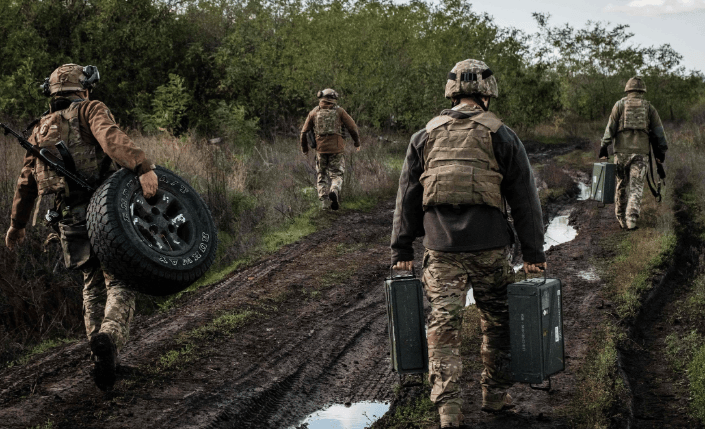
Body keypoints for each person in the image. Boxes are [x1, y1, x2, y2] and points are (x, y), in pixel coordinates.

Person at [390, 59, 546, 428]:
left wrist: (400, 250)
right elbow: (524, 198)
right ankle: (495, 397)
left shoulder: (424, 135)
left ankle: (448, 412)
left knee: (443, 327)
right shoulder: (502, 134)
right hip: (490, 248)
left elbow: (407, 196)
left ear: (451, 92)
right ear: (488, 93)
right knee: (498, 323)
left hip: (440, 249)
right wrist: (533, 253)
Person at [4, 63, 158, 391]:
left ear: (53, 94)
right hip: (105, 211)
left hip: (67, 219)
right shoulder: (90, 109)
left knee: (91, 283)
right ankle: (108, 339)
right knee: (121, 280)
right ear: (82, 88)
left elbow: (26, 181)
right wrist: (142, 166)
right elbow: (111, 139)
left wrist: (17, 224)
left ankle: (102, 358)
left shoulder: (38, 129)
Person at [600, 76, 668, 230]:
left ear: (628, 89)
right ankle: (631, 219)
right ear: (642, 90)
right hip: (641, 154)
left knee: (621, 185)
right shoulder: (649, 108)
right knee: (636, 187)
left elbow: (610, 127)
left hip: (621, 153)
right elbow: (659, 132)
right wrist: (661, 151)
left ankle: (620, 217)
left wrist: (604, 146)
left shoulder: (619, 105)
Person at [300, 88, 361, 210]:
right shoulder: (340, 112)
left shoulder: (314, 112)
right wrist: (356, 142)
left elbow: (303, 132)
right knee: (337, 174)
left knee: (321, 175)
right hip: (336, 149)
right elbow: (353, 127)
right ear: (334, 99)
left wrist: (305, 148)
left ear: (321, 98)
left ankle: (324, 202)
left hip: (320, 150)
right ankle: (334, 190)